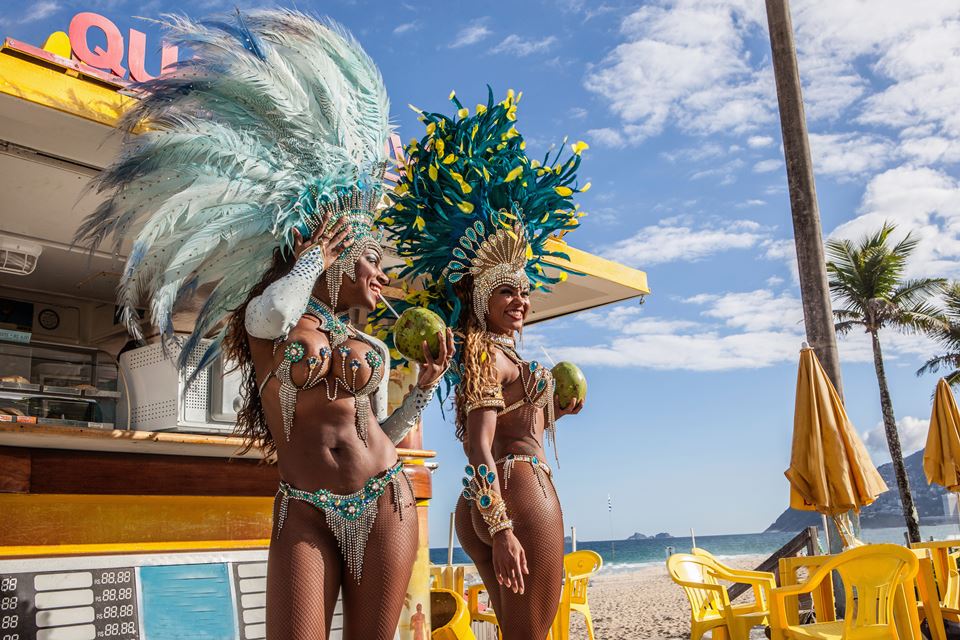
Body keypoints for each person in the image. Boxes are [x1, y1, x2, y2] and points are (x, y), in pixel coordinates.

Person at [74, 10, 452, 639]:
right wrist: (311, 258)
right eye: (370, 259)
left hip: (386, 495)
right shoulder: (272, 317)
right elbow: (270, 314)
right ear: (335, 247)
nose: (381, 274)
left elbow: (377, 428)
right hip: (304, 504)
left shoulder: (364, 342)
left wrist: (420, 391)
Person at [380, 89, 588, 639]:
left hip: (502, 491)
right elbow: (477, 446)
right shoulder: (482, 351)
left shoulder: (500, 351)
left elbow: (510, 427)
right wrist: (501, 531)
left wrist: (554, 413)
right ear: (479, 297)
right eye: (505, 290)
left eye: (524, 290)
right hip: (514, 495)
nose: (520, 299)